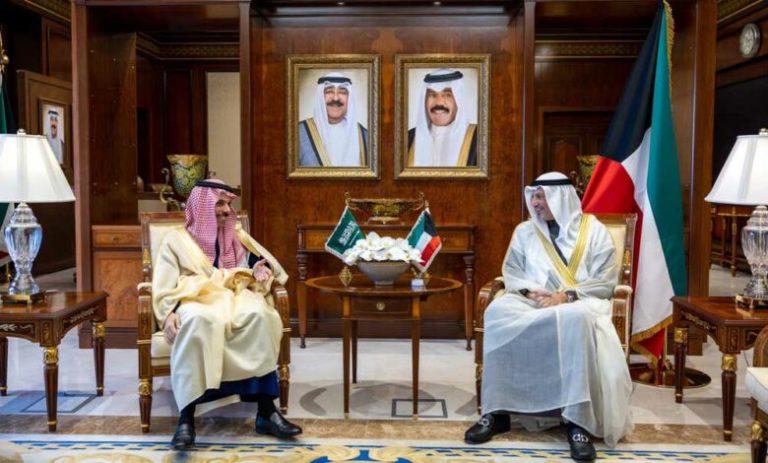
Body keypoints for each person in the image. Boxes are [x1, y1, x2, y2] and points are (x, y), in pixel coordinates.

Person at [464, 172, 633, 462]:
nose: (535, 203)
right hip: (534, 300)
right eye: (534, 196)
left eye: (541, 197)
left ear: (561, 198)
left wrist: (565, 296)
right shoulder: (525, 231)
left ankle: (578, 423)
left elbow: (606, 281)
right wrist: (530, 292)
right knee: (497, 312)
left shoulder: (595, 232)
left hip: (580, 302)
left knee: (575, 320)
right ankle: (497, 412)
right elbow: (512, 271)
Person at [152, 179, 302, 449]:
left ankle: (266, 412)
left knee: (260, 315)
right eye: (219, 203)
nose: (226, 210)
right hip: (196, 298)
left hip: (234, 294)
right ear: (202, 206)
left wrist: (260, 270)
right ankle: (186, 418)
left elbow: (259, 264)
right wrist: (169, 313)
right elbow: (163, 284)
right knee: (198, 321)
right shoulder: (175, 240)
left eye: (228, 204)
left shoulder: (236, 235)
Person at [407, 68, 477, 167]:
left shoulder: (479, 139)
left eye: (447, 95)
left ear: (458, 100)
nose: (439, 102)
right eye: (432, 95)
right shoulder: (409, 138)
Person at [298, 72, 369, 167]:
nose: (335, 98)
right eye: (329, 91)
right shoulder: (298, 134)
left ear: (349, 98)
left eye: (342, 92)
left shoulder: (366, 137)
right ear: (320, 97)